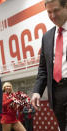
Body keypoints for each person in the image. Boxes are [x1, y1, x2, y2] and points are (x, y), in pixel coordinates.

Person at [31, 0, 67, 130]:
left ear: (66, 6)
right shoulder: (47, 37)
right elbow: (43, 69)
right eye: (49, 12)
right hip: (56, 93)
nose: (52, 16)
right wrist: (36, 91)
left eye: (56, 10)